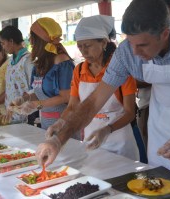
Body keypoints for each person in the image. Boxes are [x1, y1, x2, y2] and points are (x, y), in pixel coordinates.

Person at [36, 0, 170, 190]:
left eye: (143, 45)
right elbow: (95, 100)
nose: (135, 52)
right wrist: (58, 140)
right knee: (161, 190)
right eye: (130, 43)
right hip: (162, 132)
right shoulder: (127, 52)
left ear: (164, 34)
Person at [47, 15, 139, 160]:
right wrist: (60, 122)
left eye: (88, 46)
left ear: (103, 42)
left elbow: (129, 113)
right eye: (80, 46)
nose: (83, 52)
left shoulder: (120, 69)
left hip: (120, 141)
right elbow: (72, 107)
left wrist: (108, 129)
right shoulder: (79, 71)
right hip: (91, 138)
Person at [9, 17, 74, 130]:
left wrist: (35, 104)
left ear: (40, 39)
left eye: (31, 36)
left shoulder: (62, 62)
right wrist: (25, 98)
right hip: (45, 122)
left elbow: (66, 97)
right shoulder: (40, 63)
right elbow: (40, 93)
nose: (30, 40)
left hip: (64, 123)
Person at [136, 0, 170, 149]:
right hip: (149, 106)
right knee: (155, 148)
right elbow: (131, 80)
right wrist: (161, 78)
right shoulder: (139, 43)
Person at [0, 26, 33, 124]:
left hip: (25, 113)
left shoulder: (28, 60)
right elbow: (10, 88)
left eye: (3, 43)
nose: (3, 47)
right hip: (11, 114)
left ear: (11, 41)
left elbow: (34, 89)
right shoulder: (11, 61)